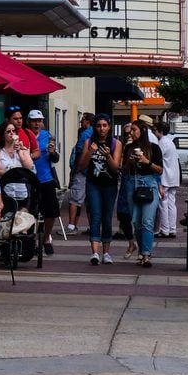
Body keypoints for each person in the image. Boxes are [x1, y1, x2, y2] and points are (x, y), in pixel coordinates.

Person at [78, 113, 122, 265]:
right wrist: (90, 151)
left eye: (104, 125)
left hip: (109, 185)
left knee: (107, 217)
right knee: (95, 216)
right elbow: (81, 166)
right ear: (94, 127)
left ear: (109, 127)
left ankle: (107, 253)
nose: (102, 129)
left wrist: (108, 156)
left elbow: (116, 168)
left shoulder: (116, 143)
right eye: (98, 125)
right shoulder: (89, 142)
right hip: (93, 184)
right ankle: (95, 253)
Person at [126, 121, 163, 267]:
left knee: (147, 221)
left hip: (149, 184)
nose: (131, 133)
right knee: (136, 222)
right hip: (133, 183)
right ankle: (141, 252)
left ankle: (147, 254)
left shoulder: (153, 148)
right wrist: (130, 162)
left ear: (142, 130)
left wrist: (146, 161)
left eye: (134, 130)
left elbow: (160, 170)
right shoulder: (128, 148)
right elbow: (124, 169)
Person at [25, 108, 61, 255]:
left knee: (51, 212)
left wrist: (53, 152)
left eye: (39, 121)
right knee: (30, 212)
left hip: (46, 178)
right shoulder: (24, 135)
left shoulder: (48, 136)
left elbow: (56, 159)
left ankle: (46, 238)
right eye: (34, 121)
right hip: (28, 179)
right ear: (28, 122)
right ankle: (31, 240)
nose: (37, 124)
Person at [0, 119, 35, 207]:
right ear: (3, 135)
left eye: (13, 131)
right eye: (8, 131)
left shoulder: (22, 149)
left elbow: (29, 167)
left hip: (21, 192)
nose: (11, 133)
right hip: (5, 192)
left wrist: (20, 152)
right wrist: (11, 173)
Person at [67, 112, 94, 233]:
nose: (81, 122)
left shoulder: (85, 134)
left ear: (88, 121)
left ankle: (71, 226)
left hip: (82, 171)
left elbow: (79, 152)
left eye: (83, 120)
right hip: (93, 172)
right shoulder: (95, 133)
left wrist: (76, 169)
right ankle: (93, 227)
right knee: (91, 200)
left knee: (75, 199)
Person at [153, 121, 180, 238]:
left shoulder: (162, 143)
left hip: (165, 177)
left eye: (155, 130)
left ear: (160, 131)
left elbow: (157, 158)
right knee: (171, 203)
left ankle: (164, 230)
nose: (154, 132)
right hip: (174, 176)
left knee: (163, 203)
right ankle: (172, 229)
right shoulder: (170, 142)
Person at [116, 121, 138, 258]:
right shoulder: (125, 147)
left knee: (138, 216)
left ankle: (144, 250)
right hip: (126, 182)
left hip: (139, 183)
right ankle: (131, 242)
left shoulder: (145, 146)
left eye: (131, 131)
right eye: (126, 133)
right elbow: (122, 167)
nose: (129, 135)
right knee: (123, 214)